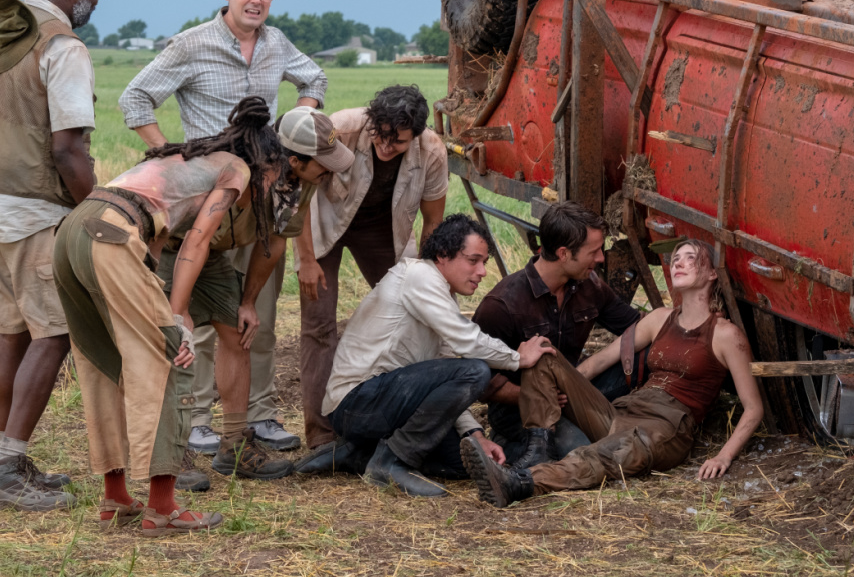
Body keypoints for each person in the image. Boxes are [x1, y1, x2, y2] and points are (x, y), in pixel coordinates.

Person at [119, 0, 326, 454]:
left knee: (259, 313)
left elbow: (314, 80)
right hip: (210, 194)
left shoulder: (277, 44)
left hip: (263, 195)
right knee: (205, 315)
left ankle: (258, 417)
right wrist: (172, 155)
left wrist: (297, 122)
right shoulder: (192, 45)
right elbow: (134, 99)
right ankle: (197, 421)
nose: (257, 1)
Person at [52, 96, 285, 535]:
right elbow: (197, 243)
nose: (273, 186)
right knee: (173, 359)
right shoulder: (237, 169)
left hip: (75, 231)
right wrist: (175, 317)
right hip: (113, 234)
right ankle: (163, 508)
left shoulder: (185, 158)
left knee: (105, 364)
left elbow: (157, 240)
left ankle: (116, 498)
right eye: (277, 177)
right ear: (266, 164)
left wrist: (160, 301)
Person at [461, 239, 764, 508]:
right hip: (622, 411)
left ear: (712, 274)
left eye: (691, 258)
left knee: (598, 457)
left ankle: (519, 483)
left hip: (665, 427)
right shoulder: (660, 319)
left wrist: (724, 455)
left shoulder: (725, 334)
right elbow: (599, 361)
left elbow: (753, 408)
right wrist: (558, 380)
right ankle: (538, 449)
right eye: (676, 258)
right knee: (542, 351)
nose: (679, 263)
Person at [0, 0, 105, 512]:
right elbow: (69, 150)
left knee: (12, 331)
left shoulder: (2, 28)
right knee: (53, 333)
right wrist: (98, 210)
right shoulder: (63, 46)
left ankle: (4, 456)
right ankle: (1, 475)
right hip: (31, 205)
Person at [151, 104, 353, 484]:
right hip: (169, 245)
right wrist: (179, 310)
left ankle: (233, 445)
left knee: (237, 332)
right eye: (322, 164)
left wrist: (247, 301)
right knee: (171, 343)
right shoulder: (241, 171)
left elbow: (275, 240)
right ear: (294, 159)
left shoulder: (301, 182)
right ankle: (170, 453)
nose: (328, 172)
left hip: (210, 252)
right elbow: (192, 234)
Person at [301, 215, 547, 497]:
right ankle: (390, 461)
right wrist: (518, 359)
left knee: (463, 462)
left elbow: (447, 383)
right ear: (443, 255)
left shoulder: (442, 296)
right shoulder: (420, 276)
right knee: (476, 370)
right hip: (357, 402)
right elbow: (467, 344)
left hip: (384, 406)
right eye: (473, 260)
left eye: (485, 263)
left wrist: (474, 435)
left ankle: (357, 454)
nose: (482, 271)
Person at [295, 85, 448, 452]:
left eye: (397, 142)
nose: (385, 146)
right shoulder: (340, 129)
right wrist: (306, 260)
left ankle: (397, 416)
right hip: (325, 226)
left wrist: (430, 278)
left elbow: (432, 223)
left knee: (415, 314)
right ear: (371, 120)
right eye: (380, 134)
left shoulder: (432, 151)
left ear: (416, 136)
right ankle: (321, 434)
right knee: (318, 325)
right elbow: (299, 196)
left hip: (384, 231)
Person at [471, 201, 642, 468]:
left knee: (643, 357)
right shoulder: (502, 306)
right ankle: (510, 449)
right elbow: (483, 383)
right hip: (521, 409)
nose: (601, 258)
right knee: (579, 453)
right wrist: (538, 396)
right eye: (594, 251)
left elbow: (633, 326)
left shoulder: (590, 286)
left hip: (575, 389)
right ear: (564, 254)